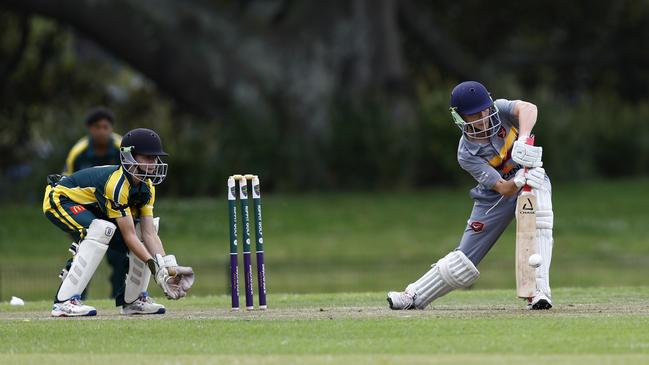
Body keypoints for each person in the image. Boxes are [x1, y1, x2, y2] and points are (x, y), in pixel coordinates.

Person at [387, 81, 553, 310]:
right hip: (495, 197)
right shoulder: (466, 154)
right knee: (462, 262)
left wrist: (523, 138)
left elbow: (529, 108)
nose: (483, 118)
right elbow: (503, 188)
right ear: (460, 118)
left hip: (532, 181)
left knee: (541, 215)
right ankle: (413, 296)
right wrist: (518, 180)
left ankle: (539, 293)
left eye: (484, 111)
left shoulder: (501, 108)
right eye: (474, 115)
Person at [43, 128, 195, 316]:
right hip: (61, 199)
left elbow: (148, 233)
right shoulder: (117, 185)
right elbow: (128, 236)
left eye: (155, 158)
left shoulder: (147, 187)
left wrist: (167, 268)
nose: (154, 163)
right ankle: (64, 302)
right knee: (101, 229)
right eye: (147, 158)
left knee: (145, 227)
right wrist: (155, 268)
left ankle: (133, 301)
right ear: (129, 157)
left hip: (92, 206)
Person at [60, 107, 126, 300]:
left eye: (106, 127)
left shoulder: (121, 147)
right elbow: (65, 185)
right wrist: (70, 221)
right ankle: (73, 298)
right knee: (83, 256)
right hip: (85, 211)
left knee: (119, 257)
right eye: (97, 127)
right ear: (90, 129)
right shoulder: (78, 152)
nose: (102, 131)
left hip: (114, 210)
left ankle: (119, 299)